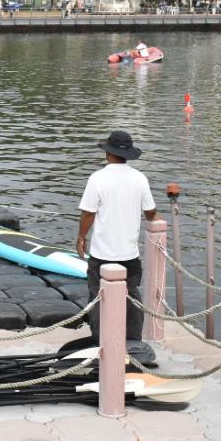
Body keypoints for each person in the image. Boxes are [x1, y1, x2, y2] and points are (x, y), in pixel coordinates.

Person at [76, 130, 158, 343]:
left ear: (107, 154)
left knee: (97, 298)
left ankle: (100, 342)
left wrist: (81, 238)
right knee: (131, 297)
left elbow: (88, 213)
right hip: (129, 254)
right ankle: (133, 343)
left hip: (102, 254)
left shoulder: (98, 178)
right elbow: (150, 212)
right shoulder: (140, 178)